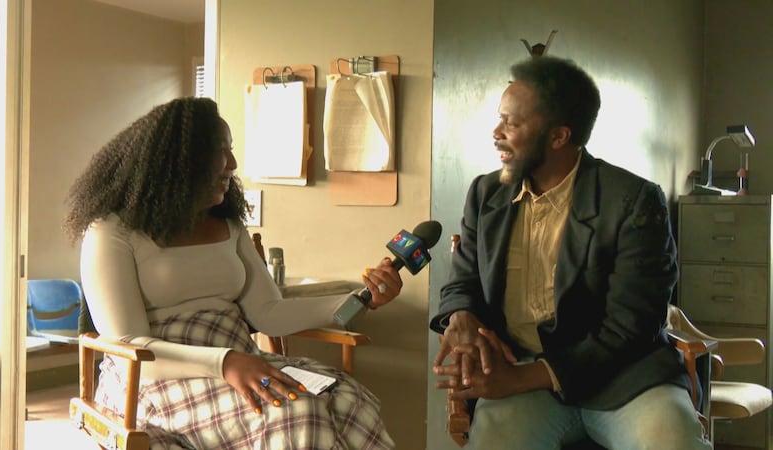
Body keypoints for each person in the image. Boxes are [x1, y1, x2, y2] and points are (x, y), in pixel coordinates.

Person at [63, 97, 400, 450]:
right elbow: (127, 346)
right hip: (154, 377)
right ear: (176, 162)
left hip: (239, 359)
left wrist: (362, 299)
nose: (233, 164)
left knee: (350, 401)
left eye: (231, 150)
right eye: (219, 152)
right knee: (297, 414)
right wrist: (224, 363)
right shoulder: (111, 232)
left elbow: (270, 313)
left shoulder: (229, 226)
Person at [430, 56, 712, 449]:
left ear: (559, 137)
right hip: (523, 374)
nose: (496, 132)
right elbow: (464, 278)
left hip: (626, 381)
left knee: (672, 443)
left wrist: (521, 379)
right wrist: (459, 314)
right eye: (500, 118)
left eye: (512, 123)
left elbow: (630, 330)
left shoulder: (633, 201)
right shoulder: (485, 194)